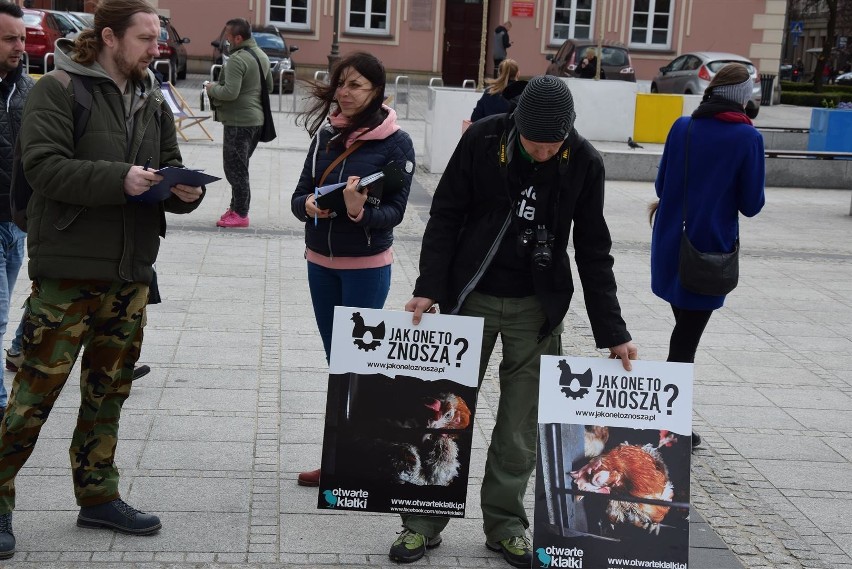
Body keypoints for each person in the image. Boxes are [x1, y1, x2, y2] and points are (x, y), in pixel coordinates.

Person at [390, 75, 637, 568]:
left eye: (553, 145)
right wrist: (428, 288)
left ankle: (505, 524)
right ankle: (421, 520)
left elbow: (593, 247)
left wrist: (614, 331)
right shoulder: (483, 138)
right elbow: (445, 215)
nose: (543, 154)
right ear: (516, 127)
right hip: (471, 295)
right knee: (444, 414)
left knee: (520, 428)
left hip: (536, 308)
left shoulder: (585, 160)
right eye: (533, 144)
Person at [0, 0, 205, 558]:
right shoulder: (59, 89)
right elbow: (42, 166)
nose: (156, 47)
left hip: (130, 273)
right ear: (110, 37)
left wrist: (185, 191)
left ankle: (97, 497)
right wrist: (123, 179)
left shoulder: (150, 97)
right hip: (68, 272)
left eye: (158, 38)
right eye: (145, 38)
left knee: (108, 391)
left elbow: (166, 163)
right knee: (32, 396)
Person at [291, 51, 415, 488]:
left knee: (356, 365)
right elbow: (299, 195)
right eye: (341, 83)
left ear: (376, 92)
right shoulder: (325, 135)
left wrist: (361, 213)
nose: (344, 92)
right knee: (336, 362)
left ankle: (356, 459)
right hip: (320, 265)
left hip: (365, 267)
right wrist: (307, 207)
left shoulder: (396, 143)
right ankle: (343, 457)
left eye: (355, 85)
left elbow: (396, 212)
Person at [650, 63, 765, 449]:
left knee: (683, 333)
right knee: (684, 342)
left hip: (670, 246)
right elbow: (752, 205)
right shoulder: (747, 138)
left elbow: (662, 184)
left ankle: (670, 421)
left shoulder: (683, 127)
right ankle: (668, 424)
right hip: (706, 254)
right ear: (742, 98)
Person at [205, 18, 272, 228]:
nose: (225, 41)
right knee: (240, 167)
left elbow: (229, 92)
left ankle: (241, 213)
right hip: (255, 121)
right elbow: (268, 86)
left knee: (235, 169)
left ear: (238, 38)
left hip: (238, 122)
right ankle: (235, 208)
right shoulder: (262, 55)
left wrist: (211, 88)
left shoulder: (237, 59)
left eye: (228, 37)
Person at [0, 2, 31, 424]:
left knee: (5, 311)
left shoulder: (28, 90)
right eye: (10, 38)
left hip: (18, 222)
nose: (20, 46)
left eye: (22, 39)